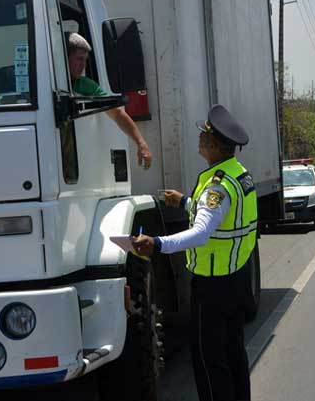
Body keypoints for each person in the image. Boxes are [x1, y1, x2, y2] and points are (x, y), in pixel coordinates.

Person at [134, 104, 257, 401]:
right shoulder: (237, 175)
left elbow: (202, 233)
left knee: (208, 360)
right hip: (237, 278)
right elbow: (220, 219)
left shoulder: (217, 187)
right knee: (233, 352)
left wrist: (158, 243)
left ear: (213, 144)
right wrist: (186, 202)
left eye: (203, 135)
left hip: (213, 286)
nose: (199, 139)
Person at [67, 32, 152, 169]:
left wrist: (141, 143)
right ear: (64, 58)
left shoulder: (86, 85)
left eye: (85, 60)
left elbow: (117, 113)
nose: (83, 65)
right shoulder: (43, 84)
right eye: (79, 59)